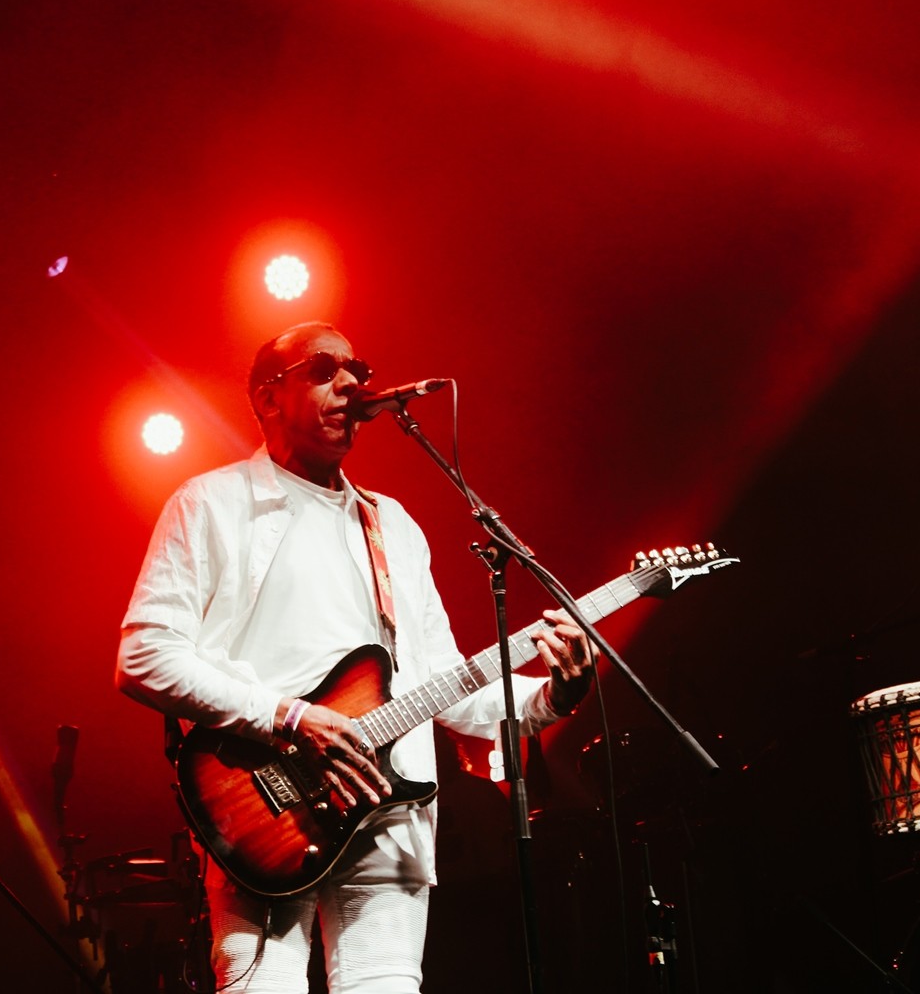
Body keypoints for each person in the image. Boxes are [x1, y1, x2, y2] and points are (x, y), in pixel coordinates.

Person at [115, 322, 595, 992]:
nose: (350, 384)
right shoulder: (211, 504)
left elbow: (440, 683)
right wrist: (291, 719)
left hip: (390, 817)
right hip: (266, 807)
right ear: (266, 397)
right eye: (323, 369)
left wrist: (553, 697)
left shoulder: (392, 525)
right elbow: (144, 655)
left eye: (357, 370)